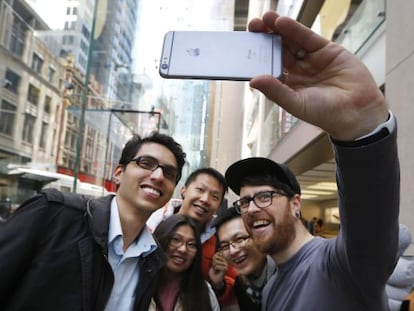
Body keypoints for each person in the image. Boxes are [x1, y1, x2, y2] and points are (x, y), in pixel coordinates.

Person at [224, 11, 400, 311]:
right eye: (244, 202)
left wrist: (362, 129)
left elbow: (370, 220)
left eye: (264, 196)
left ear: (296, 204)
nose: (252, 208)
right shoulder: (272, 289)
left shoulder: (342, 266)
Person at [0, 132, 187, 311]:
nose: (158, 176)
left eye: (169, 173)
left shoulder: (153, 261)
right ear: (118, 173)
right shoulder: (53, 212)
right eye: (146, 163)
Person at [147, 167, 239, 308]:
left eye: (214, 197)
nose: (205, 200)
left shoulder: (222, 241)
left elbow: (231, 294)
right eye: (200, 190)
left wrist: (218, 285)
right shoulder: (151, 221)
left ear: (219, 206)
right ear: (184, 190)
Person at [150, 214, 220, 311]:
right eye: (176, 239)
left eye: (191, 244)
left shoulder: (205, 293)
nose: (183, 249)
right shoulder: (138, 282)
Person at [212, 206, 276, 311]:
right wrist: (218, 285)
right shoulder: (242, 284)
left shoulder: (289, 274)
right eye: (225, 246)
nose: (233, 251)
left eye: (239, 239)